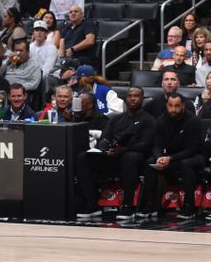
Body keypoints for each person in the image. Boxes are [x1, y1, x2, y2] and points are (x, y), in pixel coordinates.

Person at [75, 87, 155, 220]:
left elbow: (146, 145)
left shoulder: (149, 120)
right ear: (125, 99)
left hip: (135, 157)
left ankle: (128, 205)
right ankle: (92, 204)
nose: (133, 99)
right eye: (130, 96)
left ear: (142, 99)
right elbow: (105, 138)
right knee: (83, 157)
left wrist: (124, 149)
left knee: (129, 157)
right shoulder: (116, 119)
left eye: (136, 96)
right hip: (112, 156)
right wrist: (105, 149)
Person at [139, 93, 205, 220]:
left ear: (183, 106)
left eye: (177, 106)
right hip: (172, 157)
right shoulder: (160, 121)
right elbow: (157, 145)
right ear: (166, 105)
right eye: (170, 106)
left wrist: (171, 158)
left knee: (186, 163)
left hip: (195, 156)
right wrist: (159, 157)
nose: (173, 110)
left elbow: (192, 149)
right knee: (150, 162)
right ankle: (150, 204)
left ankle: (189, 207)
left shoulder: (193, 121)